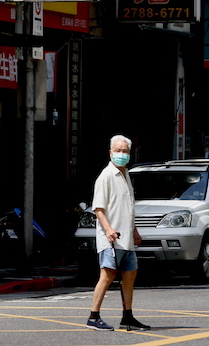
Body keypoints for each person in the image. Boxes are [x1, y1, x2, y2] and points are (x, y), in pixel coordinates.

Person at [86, 135, 151, 332]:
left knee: (130, 274)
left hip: (126, 238)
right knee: (108, 274)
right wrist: (108, 229)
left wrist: (135, 230)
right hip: (111, 238)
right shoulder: (106, 176)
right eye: (118, 151)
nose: (122, 154)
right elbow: (98, 208)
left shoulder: (126, 175)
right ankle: (93, 316)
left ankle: (128, 316)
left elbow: (128, 207)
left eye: (125, 151)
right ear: (110, 152)